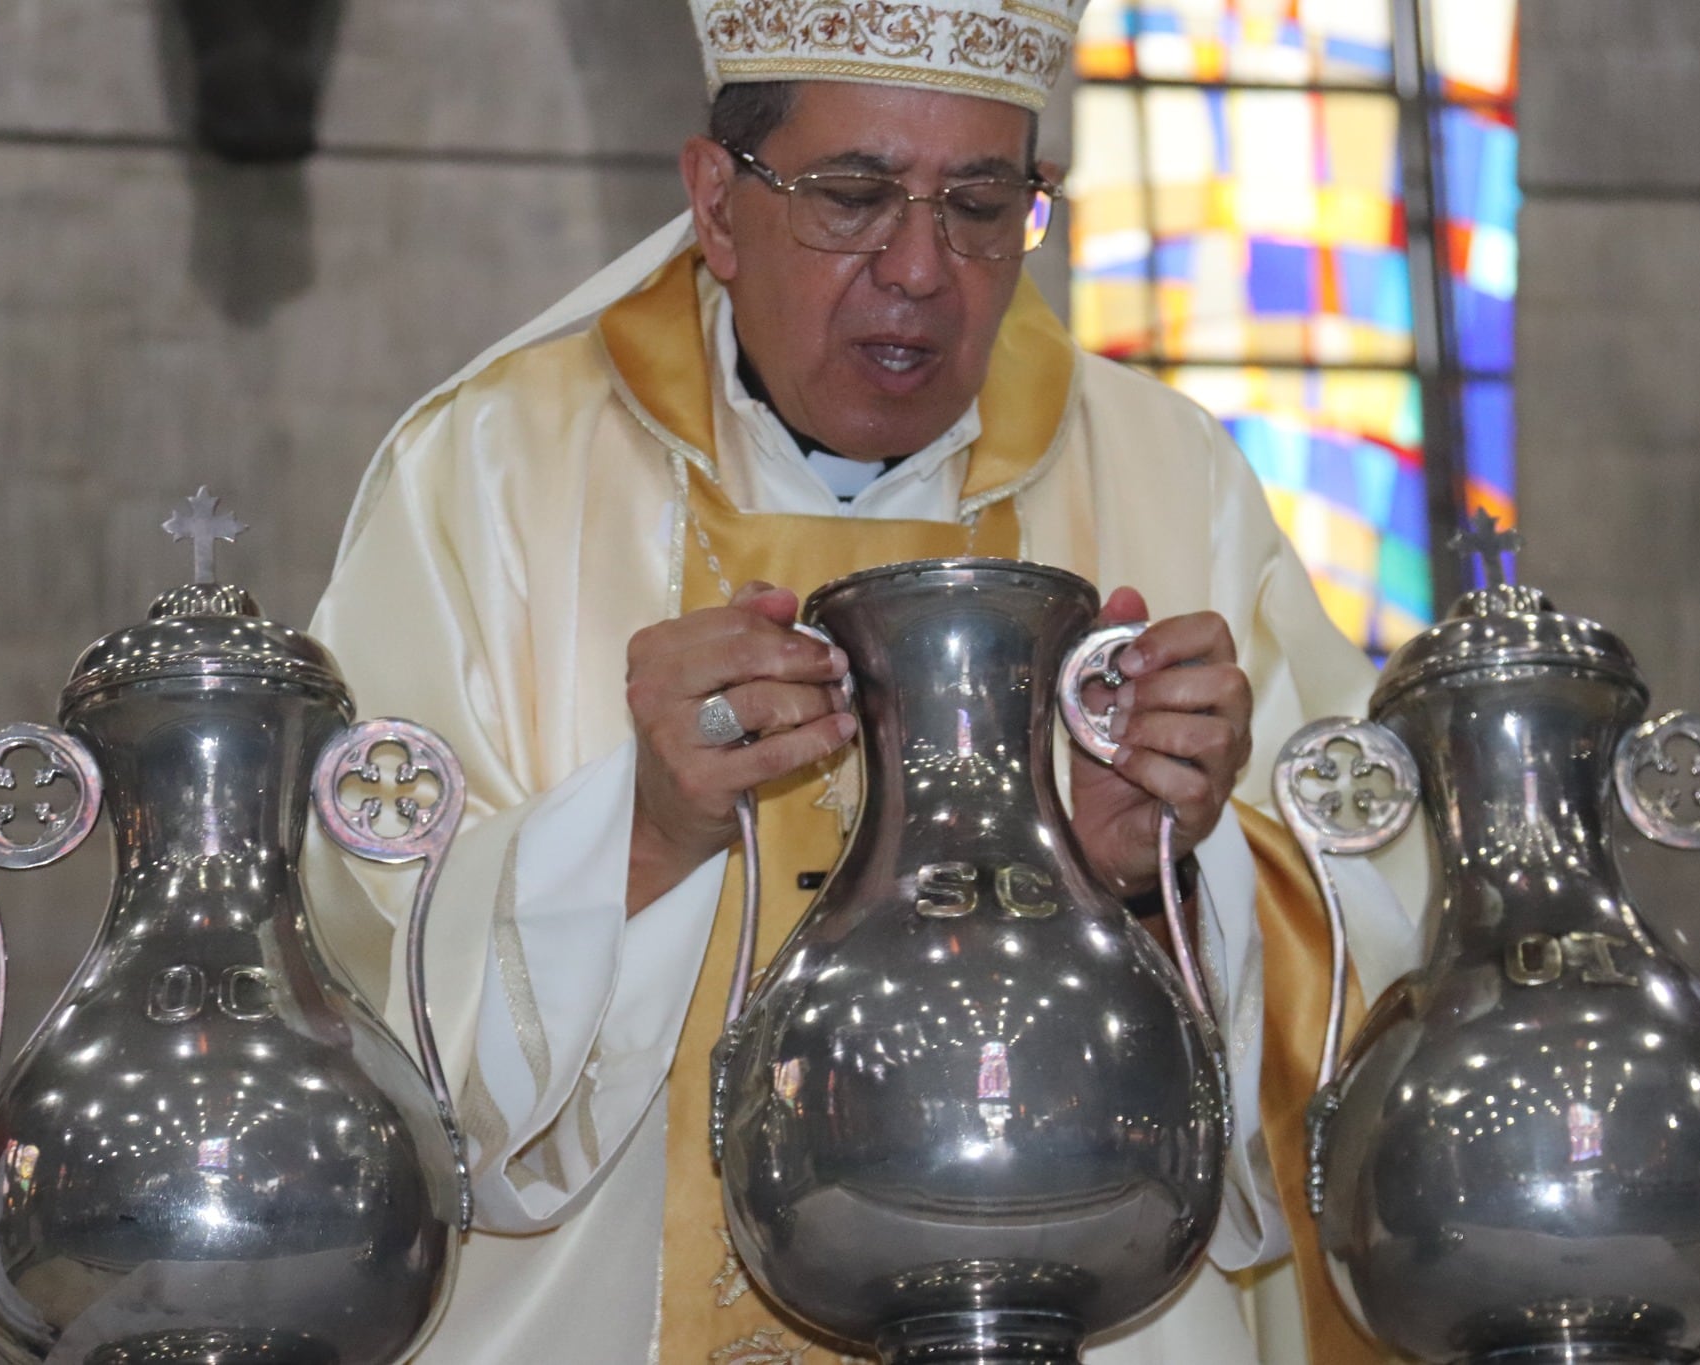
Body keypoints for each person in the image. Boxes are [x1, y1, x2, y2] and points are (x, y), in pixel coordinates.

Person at [304, 2, 1421, 1360]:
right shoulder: (482, 481)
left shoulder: (1172, 482)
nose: (921, 270)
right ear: (717, 202)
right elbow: (347, 960)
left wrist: (1163, 878)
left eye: (981, 203)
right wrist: (646, 834)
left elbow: (1375, 947)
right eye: (853, 196)